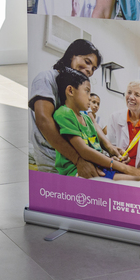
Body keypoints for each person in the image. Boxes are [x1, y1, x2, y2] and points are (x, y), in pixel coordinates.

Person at [52, 69, 140, 181]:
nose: (90, 98)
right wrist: (123, 168)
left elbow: (100, 147)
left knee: (139, 180)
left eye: (137, 94)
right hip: (82, 169)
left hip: (101, 165)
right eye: (87, 91)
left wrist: (112, 155)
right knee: (136, 180)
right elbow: (84, 150)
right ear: (70, 91)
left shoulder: (86, 119)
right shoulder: (65, 113)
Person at [29, 39, 102, 177]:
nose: (89, 70)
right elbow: (44, 121)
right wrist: (78, 160)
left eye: (93, 68)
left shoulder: (78, 90)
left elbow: (90, 122)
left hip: (75, 157)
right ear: (72, 55)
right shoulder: (45, 79)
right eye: (87, 62)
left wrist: (109, 147)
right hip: (54, 160)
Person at [106, 80, 140, 172]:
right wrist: (115, 160)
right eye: (129, 92)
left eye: (137, 95)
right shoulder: (115, 117)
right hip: (118, 169)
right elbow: (109, 147)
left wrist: (138, 172)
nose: (131, 97)